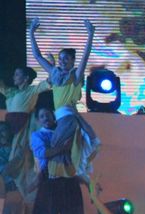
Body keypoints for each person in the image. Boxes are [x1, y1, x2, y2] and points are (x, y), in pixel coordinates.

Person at [29, 18, 100, 191]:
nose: (62, 61)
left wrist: (90, 34)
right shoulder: (55, 74)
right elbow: (37, 56)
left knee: (55, 147)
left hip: (68, 118)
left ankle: (53, 180)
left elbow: (85, 58)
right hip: (63, 119)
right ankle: (69, 181)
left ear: (72, 61)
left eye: (66, 59)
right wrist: (31, 32)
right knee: (63, 151)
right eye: (60, 58)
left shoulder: (75, 76)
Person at [0, 66, 51, 214]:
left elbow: (48, 83)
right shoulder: (11, 92)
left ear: (26, 78)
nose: (14, 77)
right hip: (12, 132)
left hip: (23, 132)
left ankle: (28, 195)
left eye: (17, 74)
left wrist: (50, 66)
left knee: (24, 162)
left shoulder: (31, 91)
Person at [30, 107, 85, 214]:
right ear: (38, 120)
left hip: (68, 178)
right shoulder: (38, 135)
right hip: (49, 180)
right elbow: (42, 153)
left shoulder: (64, 131)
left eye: (47, 114)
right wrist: (62, 148)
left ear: (53, 115)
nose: (46, 118)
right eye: (42, 116)